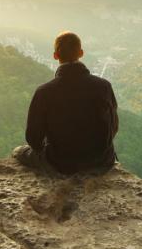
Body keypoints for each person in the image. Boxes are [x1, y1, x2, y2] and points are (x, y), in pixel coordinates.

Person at [12, 31, 119, 175]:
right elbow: (113, 127)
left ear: (55, 55)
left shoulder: (44, 92)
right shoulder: (104, 86)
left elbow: (33, 139)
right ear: (81, 53)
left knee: (19, 151)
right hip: (101, 161)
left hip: (60, 163)